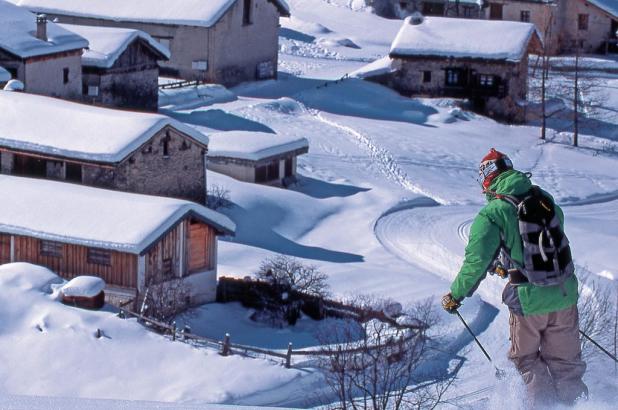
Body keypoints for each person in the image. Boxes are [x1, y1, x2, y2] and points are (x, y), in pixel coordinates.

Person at [441, 148, 587, 407]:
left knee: (528, 362)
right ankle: (580, 406)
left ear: (487, 179)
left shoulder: (493, 213)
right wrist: (507, 264)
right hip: (564, 294)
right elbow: (544, 246)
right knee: (567, 365)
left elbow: (475, 263)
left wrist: (455, 295)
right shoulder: (545, 199)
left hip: (528, 302)